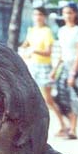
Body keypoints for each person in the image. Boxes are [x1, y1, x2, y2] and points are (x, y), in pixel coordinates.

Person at [21, 7, 68, 137]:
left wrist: (34, 50)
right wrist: (25, 49)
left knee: (48, 100)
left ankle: (63, 125)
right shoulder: (31, 30)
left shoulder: (47, 32)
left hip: (44, 67)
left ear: (44, 17)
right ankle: (33, 129)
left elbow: (48, 52)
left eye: (40, 15)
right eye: (35, 14)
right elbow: (26, 44)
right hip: (33, 66)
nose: (37, 17)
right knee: (30, 98)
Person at [51, 2, 78, 140]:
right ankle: (66, 126)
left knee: (74, 98)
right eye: (65, 13)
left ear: (75, 14)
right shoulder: (61, 31)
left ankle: (73, 130)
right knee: (59, 97)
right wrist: (55, 70)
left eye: (70, 12)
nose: (67, 15)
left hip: (76, 69)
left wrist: (73, 73)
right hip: (64, 67)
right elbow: (62, 52)